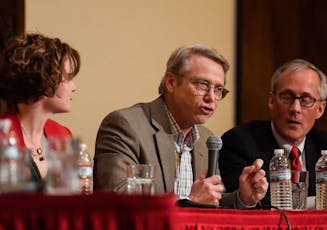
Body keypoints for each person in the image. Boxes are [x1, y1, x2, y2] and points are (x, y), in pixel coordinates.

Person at [94, 44, 268, 208]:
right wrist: (189, 201)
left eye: (218, 89)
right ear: (171, 82)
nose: (211, 97)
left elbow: (211, 203)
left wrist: (243, 198)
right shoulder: (126, 125)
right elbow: (115, 199)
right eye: (202, 85)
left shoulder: (207, 140)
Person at [219, 58, 327, 208]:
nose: (296, 108)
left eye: (306, 100)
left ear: (320, 109)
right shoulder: (239, 141)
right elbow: (248, 201)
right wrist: (324, 199)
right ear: (272, 101)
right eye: (287, 97)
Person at [0, 33, 81, 188]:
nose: (74, 87)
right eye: (68, 78)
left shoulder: (63, 135)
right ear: (44, 80)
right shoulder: (3, 137)